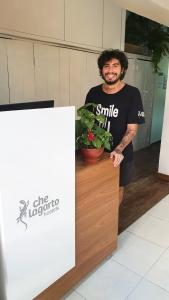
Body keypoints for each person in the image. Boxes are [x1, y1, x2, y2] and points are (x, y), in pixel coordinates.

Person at [85, 49, 145, 204]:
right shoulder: (93, 93)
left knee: (116, 189)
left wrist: (118, 149)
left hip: (120, 155)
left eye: (115, 65)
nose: (110, 70)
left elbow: (132, 130)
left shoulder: (132, 93)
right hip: (96, 154)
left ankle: (112, 225)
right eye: (106, 66)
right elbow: (87, 123)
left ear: (122, 69)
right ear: (101, 70)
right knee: (94, 189)